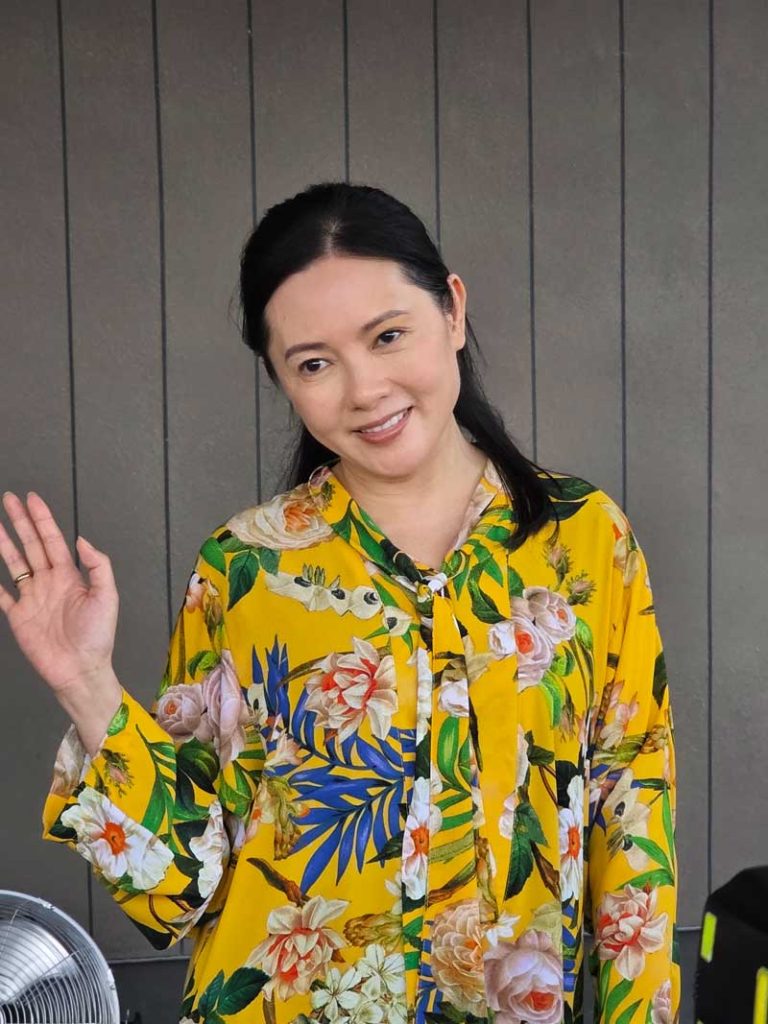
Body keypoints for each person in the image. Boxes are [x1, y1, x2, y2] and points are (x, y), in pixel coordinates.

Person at [0, 182, 679, 1024]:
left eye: (388, 335)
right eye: (314, 363)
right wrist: (85, 682)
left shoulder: (584, 539)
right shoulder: (245, 568)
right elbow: (178, 890)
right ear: (280, 378)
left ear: (452, 310)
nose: (364, 389)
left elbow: (633, 819)